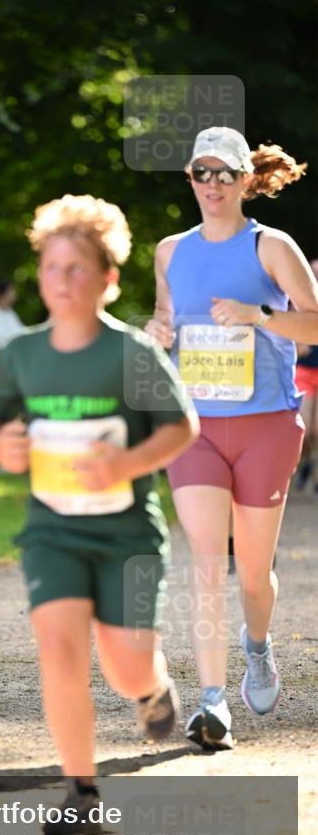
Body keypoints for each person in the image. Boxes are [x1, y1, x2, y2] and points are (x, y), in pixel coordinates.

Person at [0, 194, 198, 835]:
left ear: (108, 278)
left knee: (125, 664)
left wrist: (127, 464)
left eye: (77, 268)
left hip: (127, 535)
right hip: (53, 531)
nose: (61, 281)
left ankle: (152, 687)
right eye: (50, 267)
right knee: (59, 649)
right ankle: (80, 790)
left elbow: (183, 428)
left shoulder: (131, 355)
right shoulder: (23, 355)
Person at [145, 128, 318, 750]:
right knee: (207, 563)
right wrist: (158, 331)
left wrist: (262, 317)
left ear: (247, 180)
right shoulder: (169, 250)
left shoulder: (271, 247)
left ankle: (259, 645)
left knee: (251, 573)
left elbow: (316, 321)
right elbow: (167, 318)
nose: (213, 184)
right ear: (189, 178)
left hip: (267, 424)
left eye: (226, 173)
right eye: (202, 171)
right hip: (194, 429)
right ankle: (213, 701)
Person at [295, 262, 318, 493]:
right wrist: (297, 345)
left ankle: (314, 470)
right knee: (307, 428)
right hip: (303, 371)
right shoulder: (298, 300)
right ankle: (306, 463)